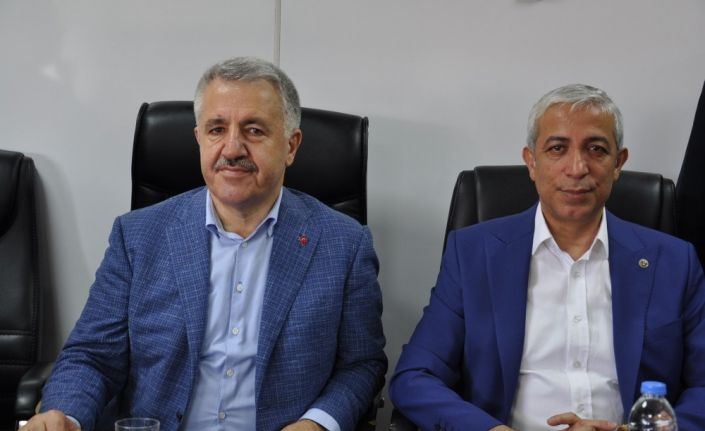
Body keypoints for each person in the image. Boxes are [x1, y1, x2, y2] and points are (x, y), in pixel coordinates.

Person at [23, 57, 386, 431]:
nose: (232, 148)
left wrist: (317, 424)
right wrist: (64, 415)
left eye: (254, 130)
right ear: (199, 139)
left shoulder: (344, 245)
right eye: (217, 129)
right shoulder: (137, 236)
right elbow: (92, 356)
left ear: (290, 146)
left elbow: (361, 365)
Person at [389, 84, 705, 430]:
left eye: (596, 149)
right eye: (557, 148)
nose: (577, 167)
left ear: (618, 163)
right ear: (531, 162)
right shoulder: (474, 254)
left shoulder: (674, 261)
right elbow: (415, 377)